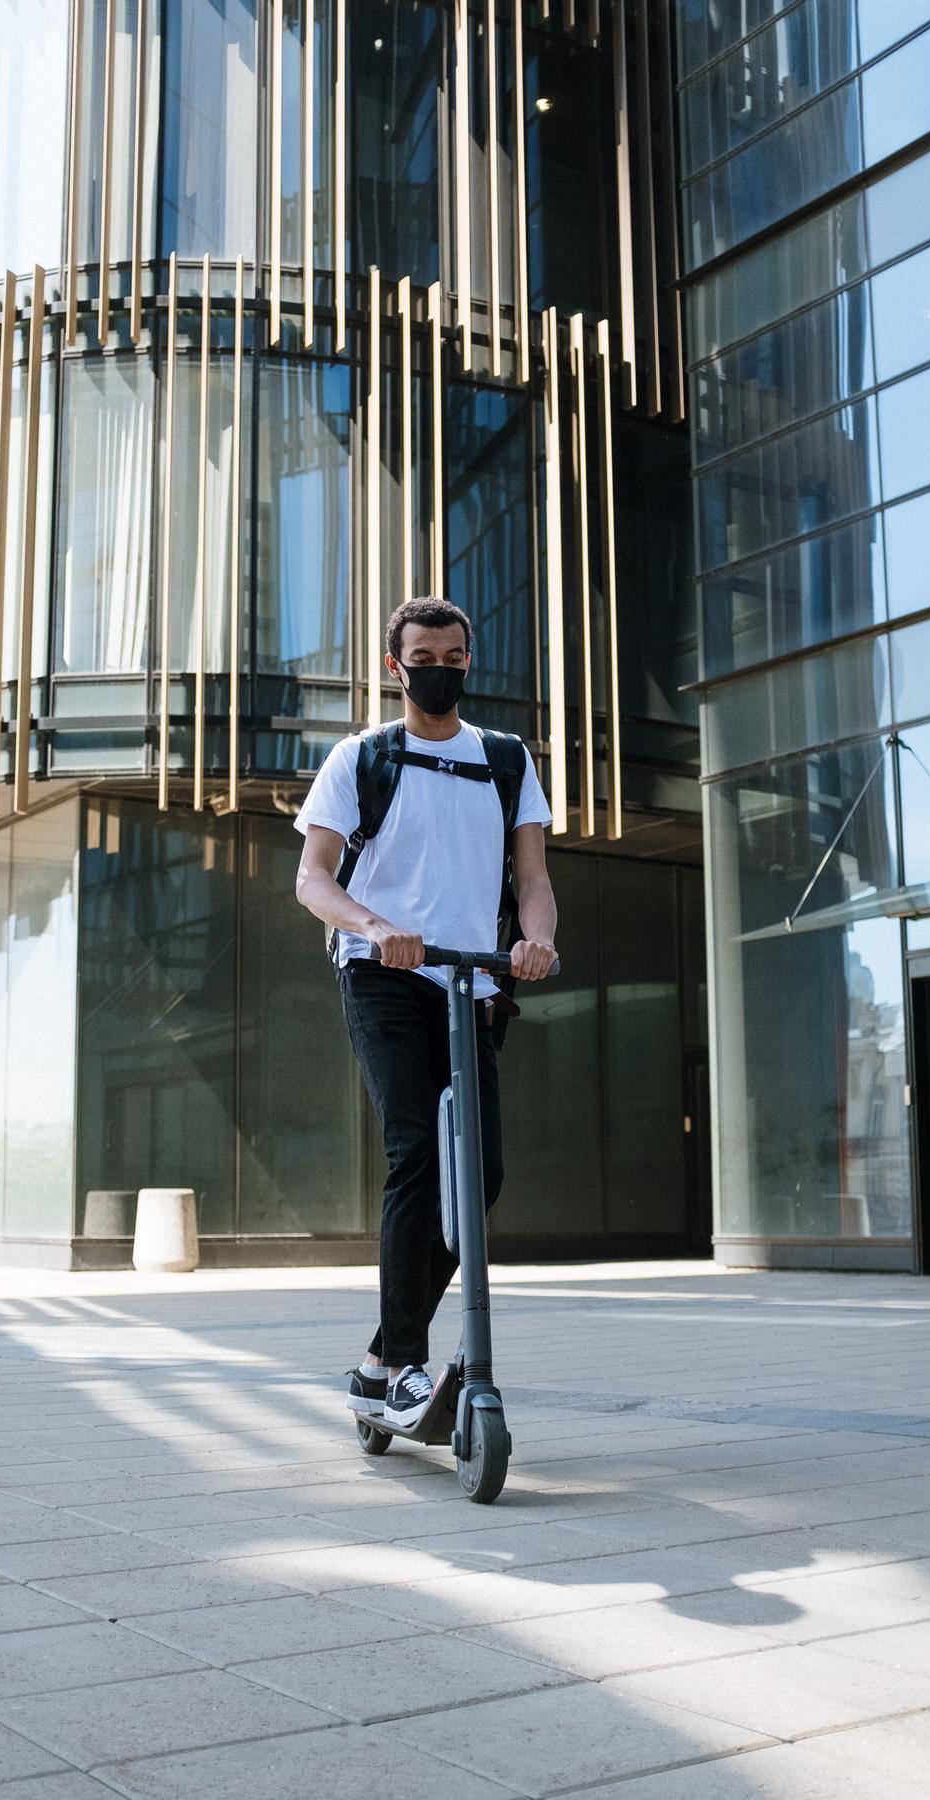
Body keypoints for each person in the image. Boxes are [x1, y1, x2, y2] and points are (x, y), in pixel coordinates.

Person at [294, 595, 557, 1429]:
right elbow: (313, 878)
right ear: (393, 665)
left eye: (454, 657)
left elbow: (534, 880)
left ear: (467, 663)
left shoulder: (507, 761)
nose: (438, 670)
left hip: (470, 982)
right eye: (424, 657)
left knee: (481, 1173)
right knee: (418, 1150)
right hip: (383, 975)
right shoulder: (363, 758)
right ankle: (403, 1361)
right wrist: (376, 927)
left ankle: (379, 1364)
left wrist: (538, 942)